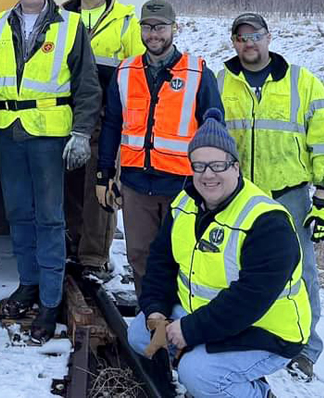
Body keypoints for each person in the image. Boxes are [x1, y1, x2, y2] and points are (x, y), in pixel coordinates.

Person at [129, 109, 310, 398]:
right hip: (207, 312)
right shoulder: (184, 205)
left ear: (236, 167)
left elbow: (250, 299)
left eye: (217, 165)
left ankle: (256, 393)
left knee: (199, 373)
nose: (207, 175)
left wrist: (188, 330)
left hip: (266, 330)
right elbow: (160, 264)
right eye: (199, 166)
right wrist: (156, 312)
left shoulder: (266, 221)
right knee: (140, 335)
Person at [0, 0, 101, 344]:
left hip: (48, 137)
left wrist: (80, 133)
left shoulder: (71, 26)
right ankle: (28, 283)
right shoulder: (0, 24)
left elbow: (87, 84)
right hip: (9, 132)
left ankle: (49, 299)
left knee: (49, 217)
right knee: (18, 214)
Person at [218, 12, 324, 382]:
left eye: (255, 35)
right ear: (233, 42)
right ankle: (248, 332)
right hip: (239, 194)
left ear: (269, 37)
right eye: (241, 37)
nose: (249, 42)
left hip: (288, 194)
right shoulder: (222, 80)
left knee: (301, 269)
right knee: (236, 267)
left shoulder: (301, 82)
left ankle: (305, 348)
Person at [96, 0, 222, 295]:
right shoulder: (125, 72)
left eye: (161, 27)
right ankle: (149, 315)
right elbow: (112, 125)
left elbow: (214, 130)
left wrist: (211, 181)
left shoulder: (198, 73)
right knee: (139, 254)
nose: (154, 34)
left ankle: (181, 319)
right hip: (136, 184)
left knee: (183, 255)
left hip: (183, 187)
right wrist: (104, 174)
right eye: (148, 27)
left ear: (174, 28)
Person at [62, 0, 144, 278]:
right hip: (67, 113)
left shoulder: (125, 21)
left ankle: (94, 257)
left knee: (100, 185)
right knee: (69, 184)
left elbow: (136, 69)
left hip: (107, 115)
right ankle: (72, 247)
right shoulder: (62, 17)